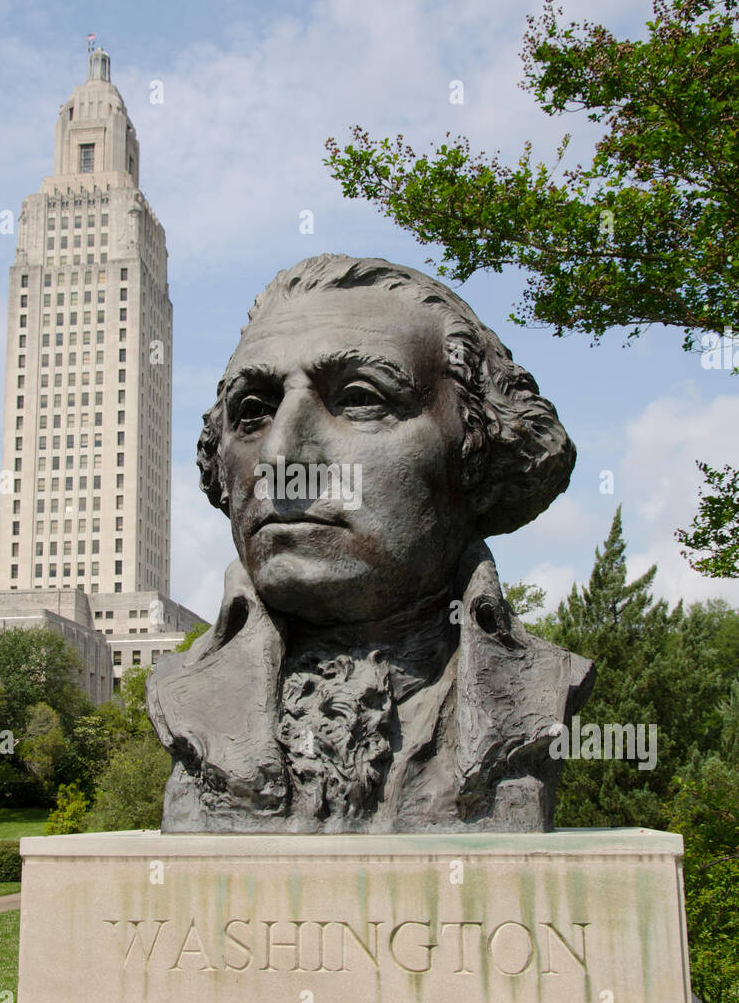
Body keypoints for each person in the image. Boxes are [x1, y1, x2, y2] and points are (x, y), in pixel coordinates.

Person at [148, 255, 594, 832]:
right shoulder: (181, 696)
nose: (281, 457)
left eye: (360, 398)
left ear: (476, 449)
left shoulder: (540, 695)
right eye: (253, 411)